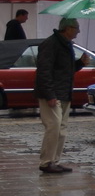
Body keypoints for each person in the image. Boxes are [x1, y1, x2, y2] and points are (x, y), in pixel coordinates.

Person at [35, 17, 85, 174]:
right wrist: (49, 94)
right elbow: (44, 71)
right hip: (53, 93)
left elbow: (66, 70)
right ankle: (46, 162)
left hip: (63, 92)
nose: (78, 31)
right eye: (76, 28)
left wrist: (81, 63)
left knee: (61, 129)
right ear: (68, 28)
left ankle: (54, 161)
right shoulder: (51, 44)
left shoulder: (66, 45)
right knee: (53, 127)